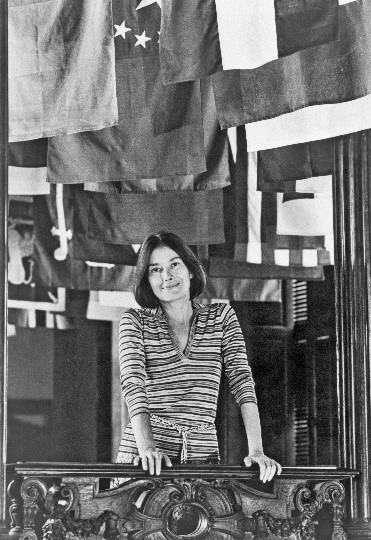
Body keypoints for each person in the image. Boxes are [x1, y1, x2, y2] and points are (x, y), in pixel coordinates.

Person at [115, 231, 282, 483]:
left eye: (174, 264)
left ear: (191, 270)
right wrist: (147, 448)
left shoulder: (222, 317)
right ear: (147, 280)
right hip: (146, 459)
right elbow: (133, 384)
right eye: (155, 270)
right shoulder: (134, 322)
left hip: (202, 456)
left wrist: (256, 451)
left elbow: (242, 382)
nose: (167, 276)